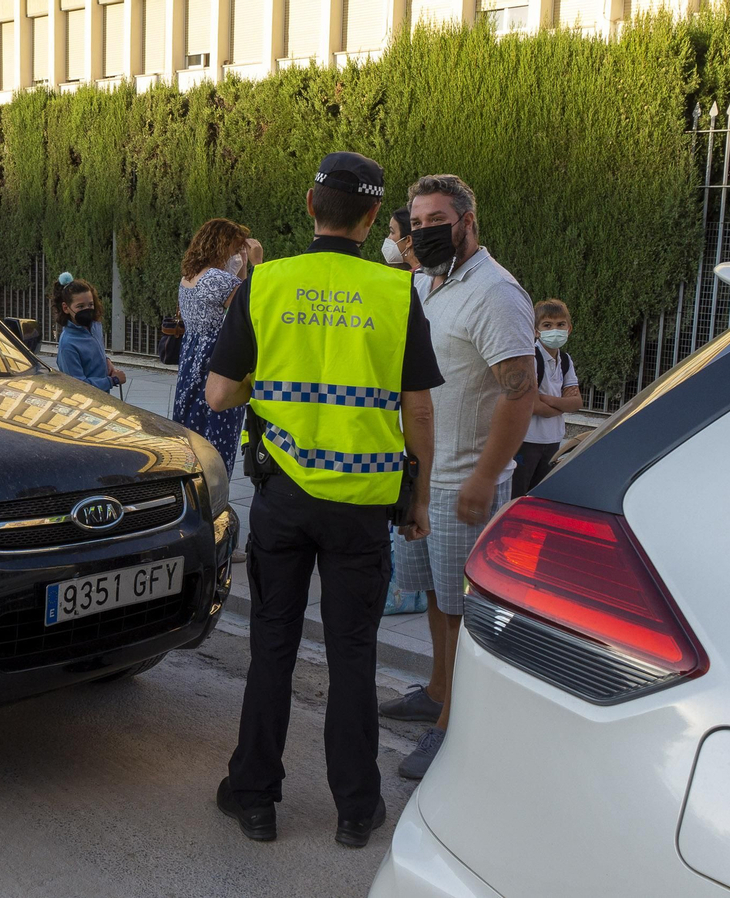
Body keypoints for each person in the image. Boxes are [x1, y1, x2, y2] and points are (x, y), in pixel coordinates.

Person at [206, 152, 443, 849]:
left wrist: (271, 387)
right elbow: (420, 412)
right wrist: (419, 499)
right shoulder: (397, 293)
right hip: (363, 509)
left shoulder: (268, 281)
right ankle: (355, 809)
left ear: (311, 207)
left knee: (272, 649)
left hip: (282, 499)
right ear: (374, 221)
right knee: (352, 657)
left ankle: (253, 798)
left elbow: (220, 392)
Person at [379, 174, 537, 782]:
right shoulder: (426, 282)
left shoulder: (496, 293)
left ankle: (454, 724)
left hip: (462, 485)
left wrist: (485, 478)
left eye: (436, 221)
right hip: (421, 479)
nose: (423, 233)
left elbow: (518, 395)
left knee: (464, 611)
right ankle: (438, 689)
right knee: (436, 600)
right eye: (416, 223)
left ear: (469, 222)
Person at [172, 218, 264, 478]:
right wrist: (257, 264)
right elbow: (252, 306)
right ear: (221, 246)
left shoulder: (191, 276)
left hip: (193, 359)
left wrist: (242, 267)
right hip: (217, 359)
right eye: (236, 249)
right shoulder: (217, 279)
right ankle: (214, 489)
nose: (238, 255)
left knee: (192, 428)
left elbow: (238, 296)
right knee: (216, 435)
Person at [513, 298, 581, 498]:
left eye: (560, 324)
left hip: (553, 441)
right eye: (547, 325)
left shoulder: (566, 361)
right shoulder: (530, 358)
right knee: (517, 497)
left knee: (540, 497)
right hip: (527, 441)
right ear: (536, 330)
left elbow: (577, 403)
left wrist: (547, 399)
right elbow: (532, 406)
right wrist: (562, 404)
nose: (555, 330)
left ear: (569, 328)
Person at [52, 272, 126, 391]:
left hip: (103, 399)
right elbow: (77, 386)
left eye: (90, 304)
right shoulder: (68, 344)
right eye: (80, 307)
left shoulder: (95, 326)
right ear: (66, 308)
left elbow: (96, 352)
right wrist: (113, 381)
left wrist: (107, 361)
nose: (87, 310)